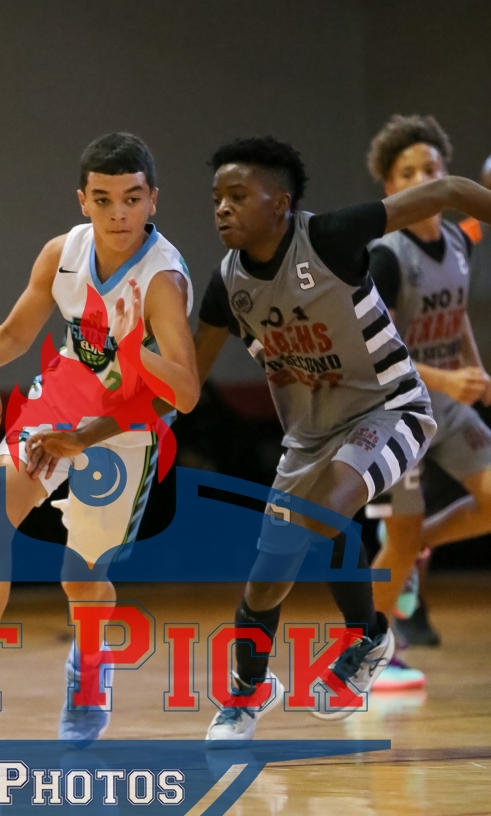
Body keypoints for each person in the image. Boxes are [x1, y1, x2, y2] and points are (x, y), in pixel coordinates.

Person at [0, 131, 198, 741]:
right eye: (103, 199)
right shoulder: (63, 253)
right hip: (57, 403)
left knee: (81, 579)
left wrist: (96, 424)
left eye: (132, 199)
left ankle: (90, 669)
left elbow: (183, 394)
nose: (119, 213)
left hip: (127, 427)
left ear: (153, 200)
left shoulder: (162, 280)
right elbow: (12, 336)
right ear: (83, 200)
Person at [192, 134, 491, 740]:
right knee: (267, 578)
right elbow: (186, 383)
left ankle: (370, 638)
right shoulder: (227, 284)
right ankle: (248, 692)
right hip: (309, 438)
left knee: (325, 512)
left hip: (390, 408)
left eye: (238, 195)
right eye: (217, 197)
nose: (222, 207)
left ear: (280, 203)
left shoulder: (330, 238)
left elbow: (451, 189)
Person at [366, 119, 491, 662]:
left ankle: (417, 544)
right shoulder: (385, 257)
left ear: (448, 177)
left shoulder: (460, 239)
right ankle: (366, 650)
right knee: (399, 536)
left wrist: (476, 371)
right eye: (408, 172)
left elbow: (455, 312)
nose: (422, 179)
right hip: (394, 412)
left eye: (431, 169)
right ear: (390, 187)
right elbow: (379, 356)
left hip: (446, 401)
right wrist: (448, 379)